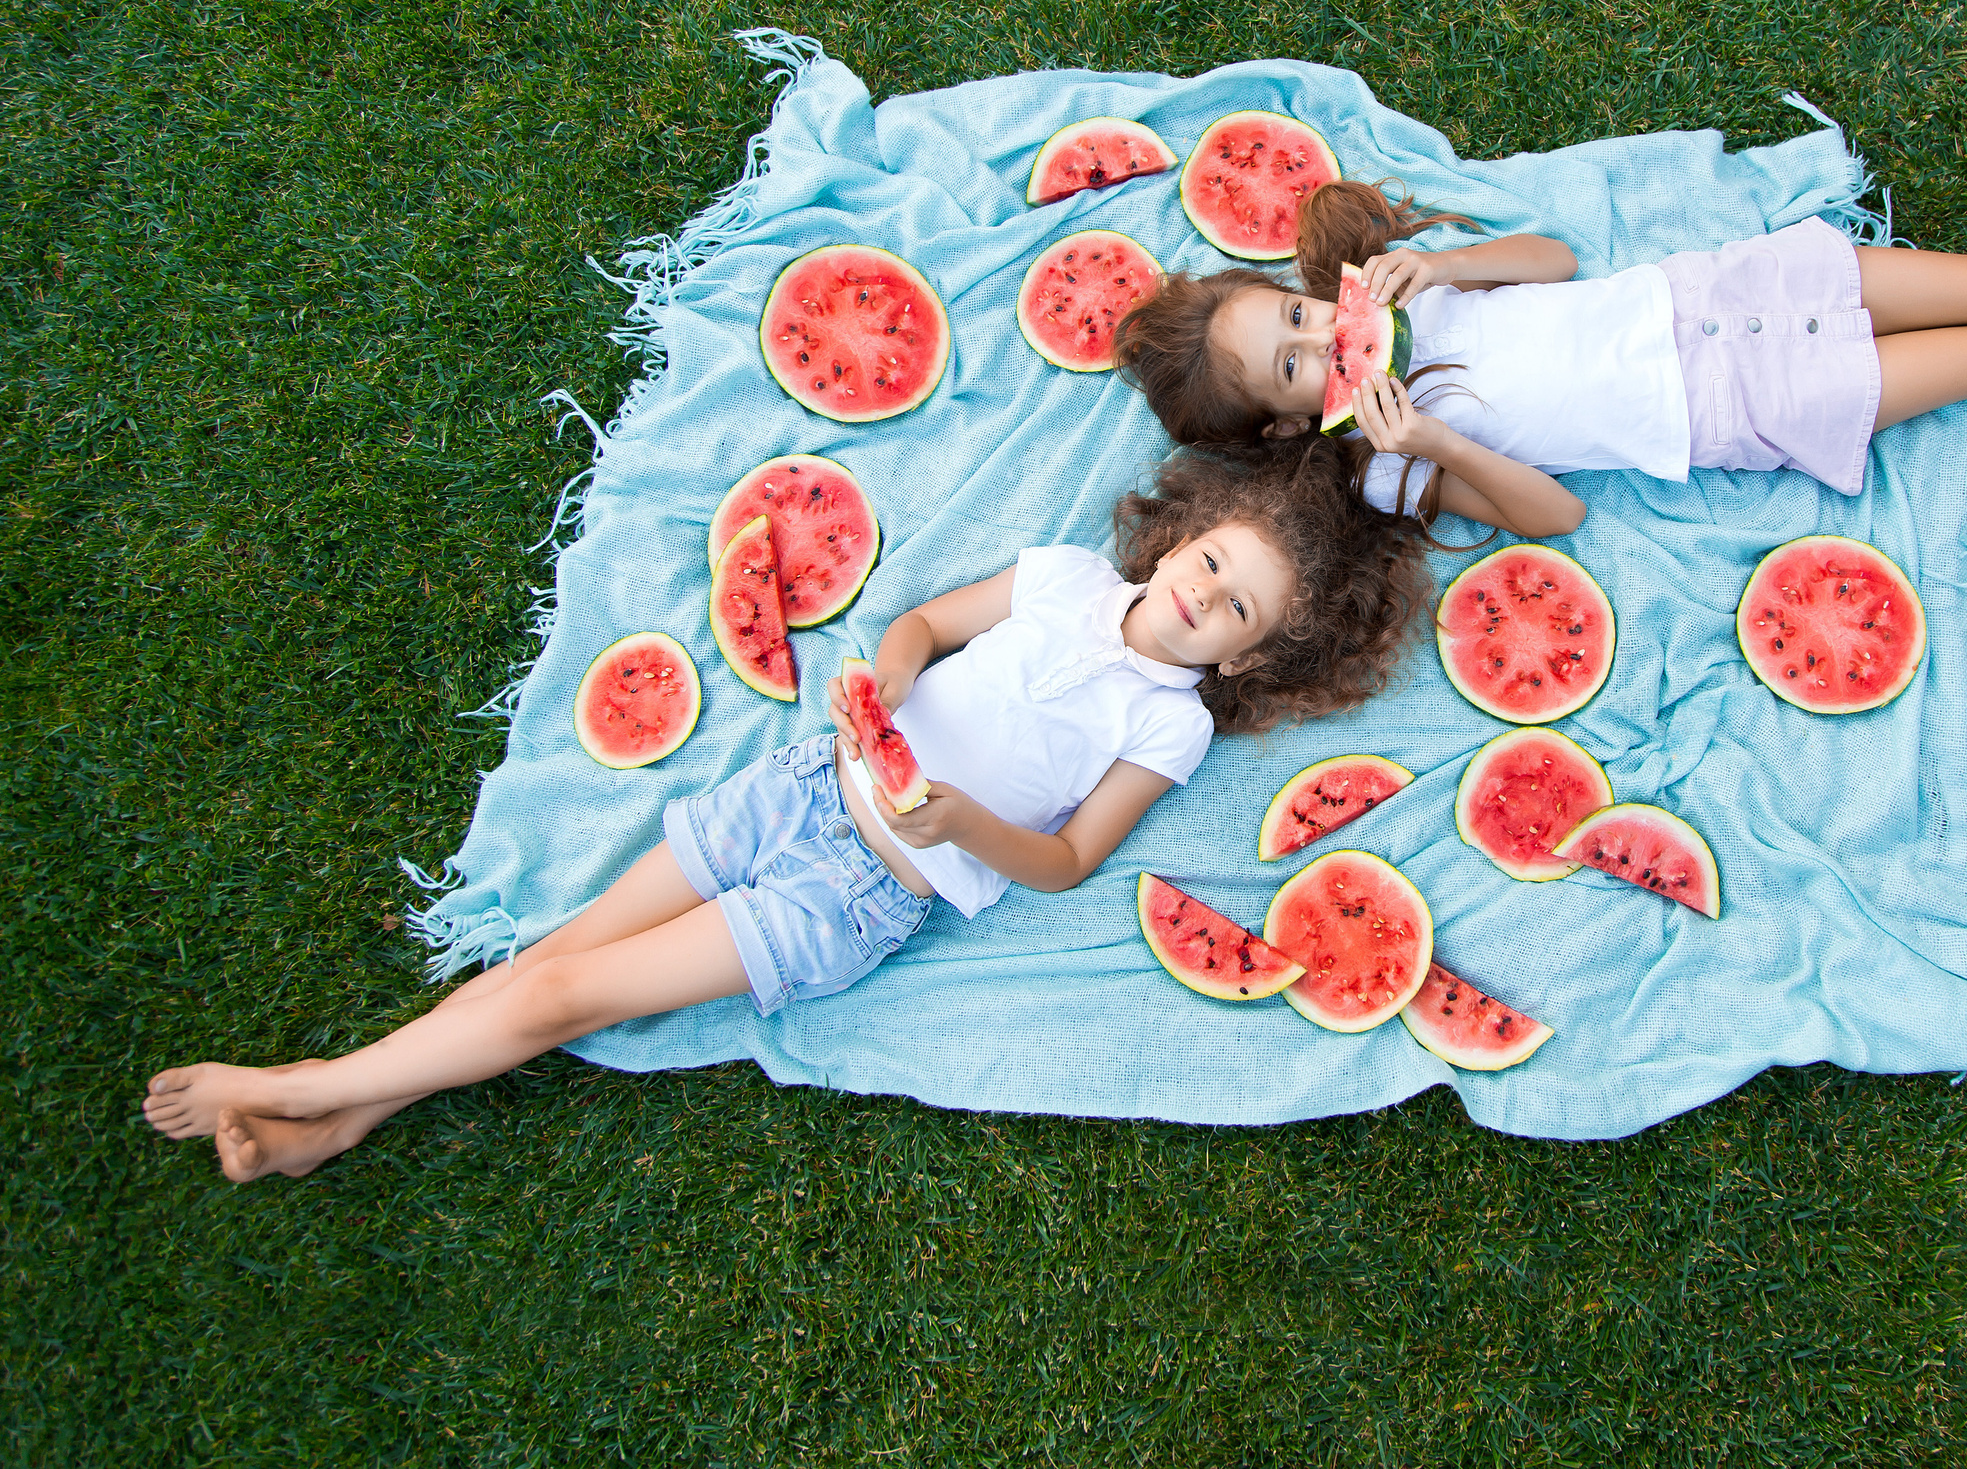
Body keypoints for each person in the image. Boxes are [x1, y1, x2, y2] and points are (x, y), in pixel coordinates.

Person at [142, 441, 1430, 1181]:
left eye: (1240, 609)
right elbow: (922, 625)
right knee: (549, 962)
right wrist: (893, 680)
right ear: (1177, 542)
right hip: (800, 787)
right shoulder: (1058, 578)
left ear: (1250, 657)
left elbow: (1066, 858)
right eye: (1211, 562)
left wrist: (957, 824)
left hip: (858, 892)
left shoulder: (1175, 724)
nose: (1207, 595)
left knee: (558, 998)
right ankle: (349, 1116)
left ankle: (298, 1078)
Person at [1113, 169, 1967, 535]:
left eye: (1293, 315)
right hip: (1740, 399)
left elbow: (1560, 266)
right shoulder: (1389, 470)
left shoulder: (1414, 298)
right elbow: (1563, 514)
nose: (1318, 340)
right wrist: (1438, 443)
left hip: (1730, 287)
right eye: (1294, 366)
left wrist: (1446, 264)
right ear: (1293, 428)